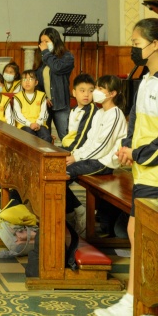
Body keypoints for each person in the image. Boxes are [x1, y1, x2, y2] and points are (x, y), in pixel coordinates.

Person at [95, 18, 158, 316]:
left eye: (136, 43)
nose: (133, 49)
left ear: (155, 44)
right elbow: (135, 118)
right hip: (142, 171)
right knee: (136, 232)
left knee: (140, 233)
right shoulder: (145, 79)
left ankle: (137, 300)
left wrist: (139, 153)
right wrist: (127, 146)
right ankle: (134, 298)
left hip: (154, 172)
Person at [64, 75, 127, 236]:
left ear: (112, 93)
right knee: (57, 172)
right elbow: (90, 141)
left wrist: (77, 158)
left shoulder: (115, 114)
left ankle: (79, 212)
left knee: (62, 174)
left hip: (104, 162)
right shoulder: (99, 113)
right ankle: (74, 211)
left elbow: (103, 147)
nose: (95, 92)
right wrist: (75, 154)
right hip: (92, 158)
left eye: (99, 89)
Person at [34, 27, 75, 140]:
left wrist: (46, 52)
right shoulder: (41, 57)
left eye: (46, 41)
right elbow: (36, 80)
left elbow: (57, 67)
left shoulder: (67, 56)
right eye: (41, 42)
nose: (43, 44)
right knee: (44, 138)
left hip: (60, 103)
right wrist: (43, 97)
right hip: (44, 104)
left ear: (55, 41)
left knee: (65, 137)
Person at [12, 69, 52, 143]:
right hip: (24, 125)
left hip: (39, 124)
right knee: (30, 137)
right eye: (24, 79)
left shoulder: (41, 95)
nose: (27, 82)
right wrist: (30, 124)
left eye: (30, 79)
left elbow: (44, 113)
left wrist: (38, 123)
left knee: (46, 137)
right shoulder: (18, 97)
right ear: (21, 82)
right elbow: (17, 115)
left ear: (36, 82)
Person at [61, 74, 98, 152]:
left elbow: (83, 136)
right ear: (74, 92)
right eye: (82, 90)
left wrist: (70, 152)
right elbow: (69, 132)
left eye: (91, 91)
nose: (86, 94)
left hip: (80, 150)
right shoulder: (73, 110)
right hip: (70, 146)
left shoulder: (91, 109)